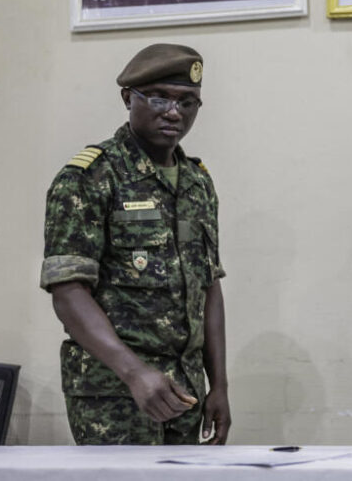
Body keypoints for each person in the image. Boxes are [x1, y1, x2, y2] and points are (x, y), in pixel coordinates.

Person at [41, 43, 230, 445]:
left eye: (188, 102)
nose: (174, 112)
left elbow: (209, 287)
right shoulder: (89, 177)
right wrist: (134, 372)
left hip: (185, 390)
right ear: (129, 97)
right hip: (114, 391)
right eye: (159, 97)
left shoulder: (198, 182)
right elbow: (68, 292)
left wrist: (220, 385)